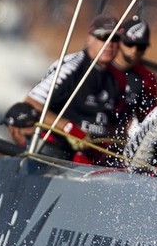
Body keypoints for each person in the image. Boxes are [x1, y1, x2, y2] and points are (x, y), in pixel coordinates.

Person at [15, 14, 128, 162]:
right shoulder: (71, 67)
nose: (109, 44)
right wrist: (69, 128)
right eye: (103, 37)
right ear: (89, 38)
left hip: (92, 156)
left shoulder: (118, 78)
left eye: (115, 39)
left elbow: (116, 125)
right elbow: (31, 104)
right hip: (55, 150)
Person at [113, 14, 157, 128]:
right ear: (119, 40)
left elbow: (149, 121)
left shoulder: (147, 78)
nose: (134, 50)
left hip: (117, 140)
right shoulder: (102, 66)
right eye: (129, 43)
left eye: (141, 46)